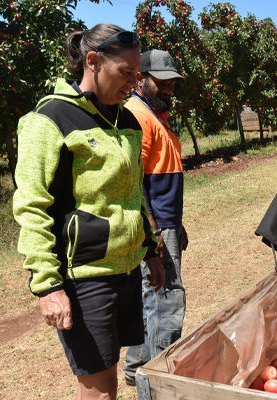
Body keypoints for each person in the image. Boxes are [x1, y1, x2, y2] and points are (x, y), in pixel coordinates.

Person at [12, 24, 165, 399]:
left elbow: (132, 194)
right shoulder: (51, 119)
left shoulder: (126, 121)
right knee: (100, 390)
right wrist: (48, 286)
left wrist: (150, 252)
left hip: (126, 270)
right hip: (86, 277)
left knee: (112, 376)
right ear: (93, 62)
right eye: (124, 74)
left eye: (137, 75)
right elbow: (31, 205)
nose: (133, 83)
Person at [123, 49, 187, 386]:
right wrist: (155, 231)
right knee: (166, 299)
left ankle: (136, 370)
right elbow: (134, 182)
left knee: (148, 299)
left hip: (164, 222)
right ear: (140, 79)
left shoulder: (153, 114)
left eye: (171, 84)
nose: (168, 90)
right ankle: (158, 378)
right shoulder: (138, 115)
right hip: (156, 226)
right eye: (160, 83)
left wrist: (176, 224)